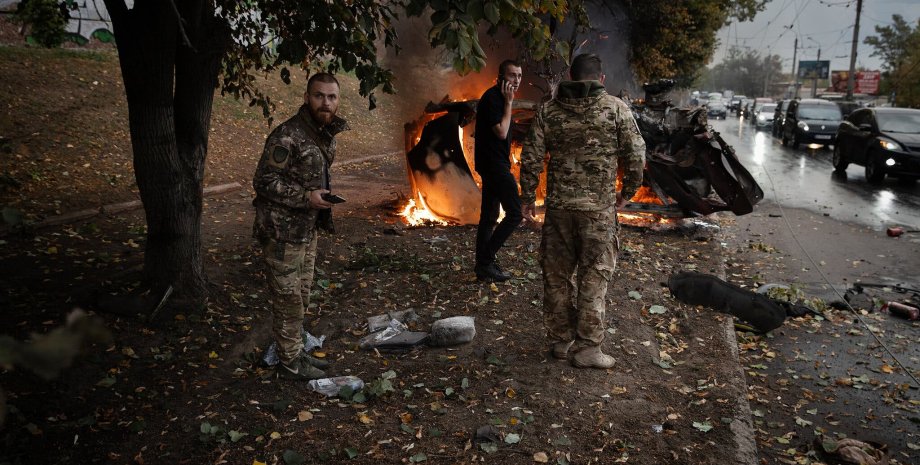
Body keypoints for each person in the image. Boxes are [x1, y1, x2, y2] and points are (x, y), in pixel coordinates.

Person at [518, 53, 646, 369]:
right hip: (599, 214)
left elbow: (530, 158)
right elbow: (636, 156)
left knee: (557, 277)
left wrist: (527, 199)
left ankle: (562, 341)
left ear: (571, 77)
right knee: (594, 278)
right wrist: (626, 194)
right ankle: (588, 348)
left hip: (559, 211)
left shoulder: (548, 111)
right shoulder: (617, 109)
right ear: (600, 79)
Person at [252, 72, 348, 380]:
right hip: (282, 233)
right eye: (319, 96)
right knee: (288, 299)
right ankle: (290, 361)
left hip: (306, 230)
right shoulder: (287, 136)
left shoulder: (322, 132)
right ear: (307, 97)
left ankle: (294, 351)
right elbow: (264, 181)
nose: (326, 103)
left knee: (301, 295)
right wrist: (306, 197)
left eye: (332, 97)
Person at [473, 59, 524, 282]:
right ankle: (485, 260)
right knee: (515, 213)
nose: (517, 80)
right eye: (512, 75)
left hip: (494, 163)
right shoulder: (493, 98)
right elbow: (502, 132)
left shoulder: (500, 98)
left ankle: (484, 266)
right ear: (501, 77)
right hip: (493, 165)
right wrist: (509, 103)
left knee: (490, 216)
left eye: (520, 76)